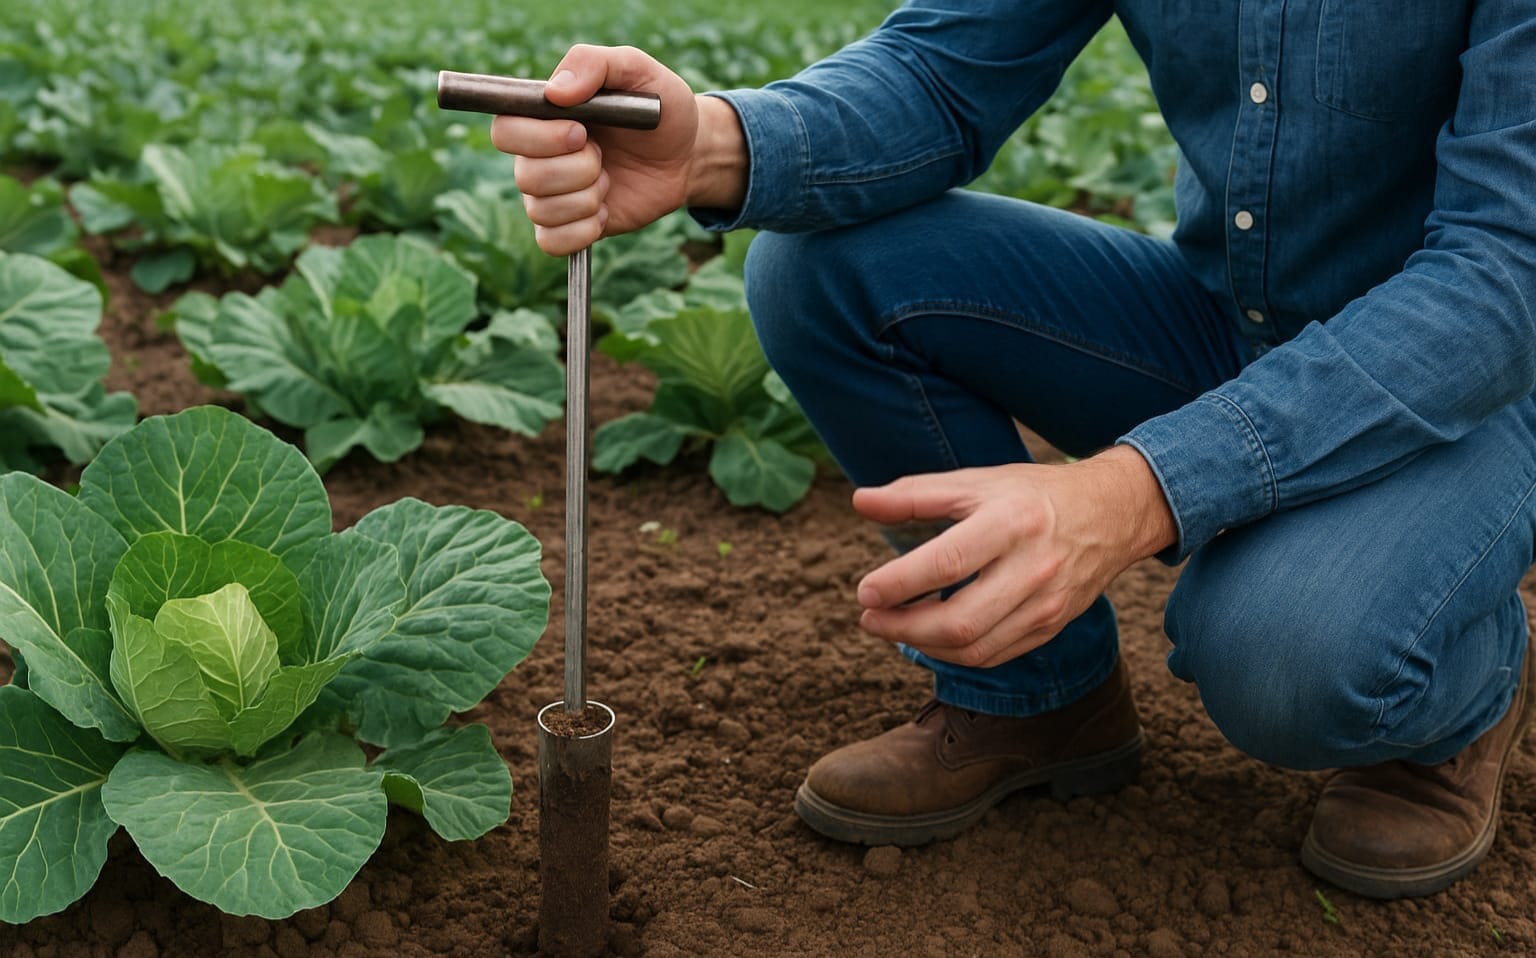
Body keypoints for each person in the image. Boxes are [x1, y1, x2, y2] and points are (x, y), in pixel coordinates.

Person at [490, 0, 1536, 900]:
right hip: (1231, 324)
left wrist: (1136, 490)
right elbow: (938, 74)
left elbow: (1503, 272)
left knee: (1287, 656)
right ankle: (1040, 699)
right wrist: (714, 145)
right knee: (821, 271)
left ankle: (1453, 714)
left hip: (1469, 390)